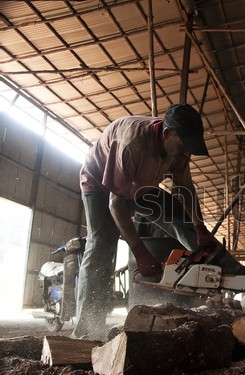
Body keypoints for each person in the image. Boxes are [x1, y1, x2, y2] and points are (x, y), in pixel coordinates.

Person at [73, 103, 217, 340]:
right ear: (168, 134)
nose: (186, 153)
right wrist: (140, 251)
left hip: (140, 185)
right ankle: (87, 327)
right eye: (184, 146)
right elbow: (116, 206)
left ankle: (213, 262)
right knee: (102, 242)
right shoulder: (132, 145)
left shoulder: (179, 150)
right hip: (99, 185)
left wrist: (199, 228)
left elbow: (185, 189)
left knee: (179, 213)